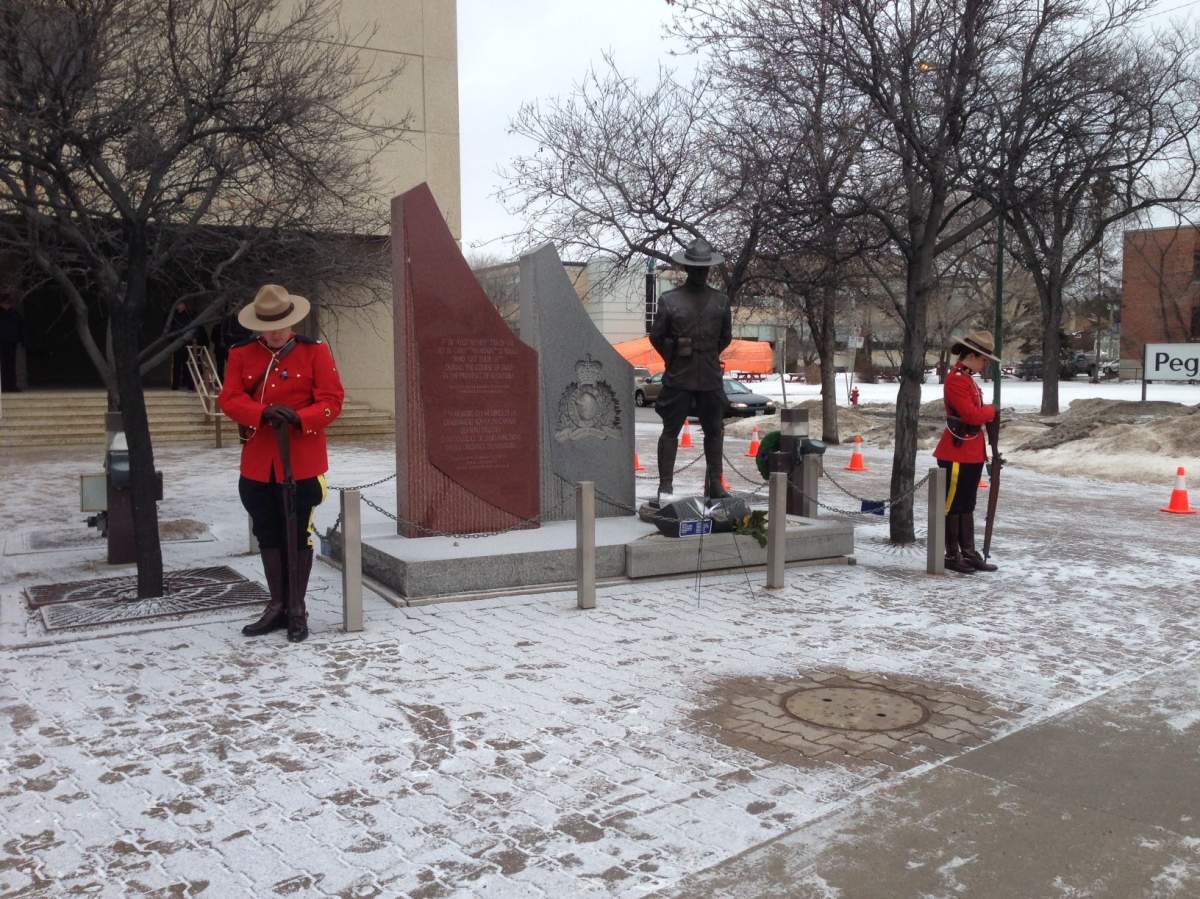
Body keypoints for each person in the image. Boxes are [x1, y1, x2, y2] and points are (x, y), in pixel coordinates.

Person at [219, 284, 344, 642]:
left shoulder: (315, 352)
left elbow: (332, 400)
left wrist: (299, 417)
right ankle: (276, 604)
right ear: (258, 325)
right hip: (259, 462)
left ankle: (297, 607)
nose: (276, 332)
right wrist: (260, 413)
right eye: (268, 325)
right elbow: (229, 398)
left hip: (301, 459)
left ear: (293, 322)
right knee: (267, 532)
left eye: (282, 324)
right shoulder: (242, 354)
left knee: (298, 532)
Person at [649, 237, 733, 501]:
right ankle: (665, 485)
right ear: (686, 269)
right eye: (695, 268)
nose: (700, 273)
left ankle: (716, 484)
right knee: (671, 429)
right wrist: (673, 357)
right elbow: (656, 336)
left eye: (704, 269)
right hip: (679, 374)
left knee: (714, 430)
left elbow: (725, 337)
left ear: (709, 269)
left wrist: (707, 355)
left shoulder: (720, 301)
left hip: (709, 374)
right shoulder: (669, 300)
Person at [933, 330, 1000, 574]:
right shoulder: (957, 379)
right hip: (957, 452)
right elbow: (971, 415)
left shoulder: (967, 379)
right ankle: (952, 554)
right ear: (972, 356)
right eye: (983, 360)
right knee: (953, 505)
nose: (985, 365)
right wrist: (991, 410)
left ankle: (969, 552)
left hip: (970, 452)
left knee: (967, 504)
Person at [0, 292, 24, 393]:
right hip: (2, 342)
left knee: (10, 364)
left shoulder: (14, 313)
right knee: (3, 365)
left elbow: (20, 327)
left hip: (11, 342)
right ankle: (4, 386)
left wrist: (21, 340)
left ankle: (11, 386)